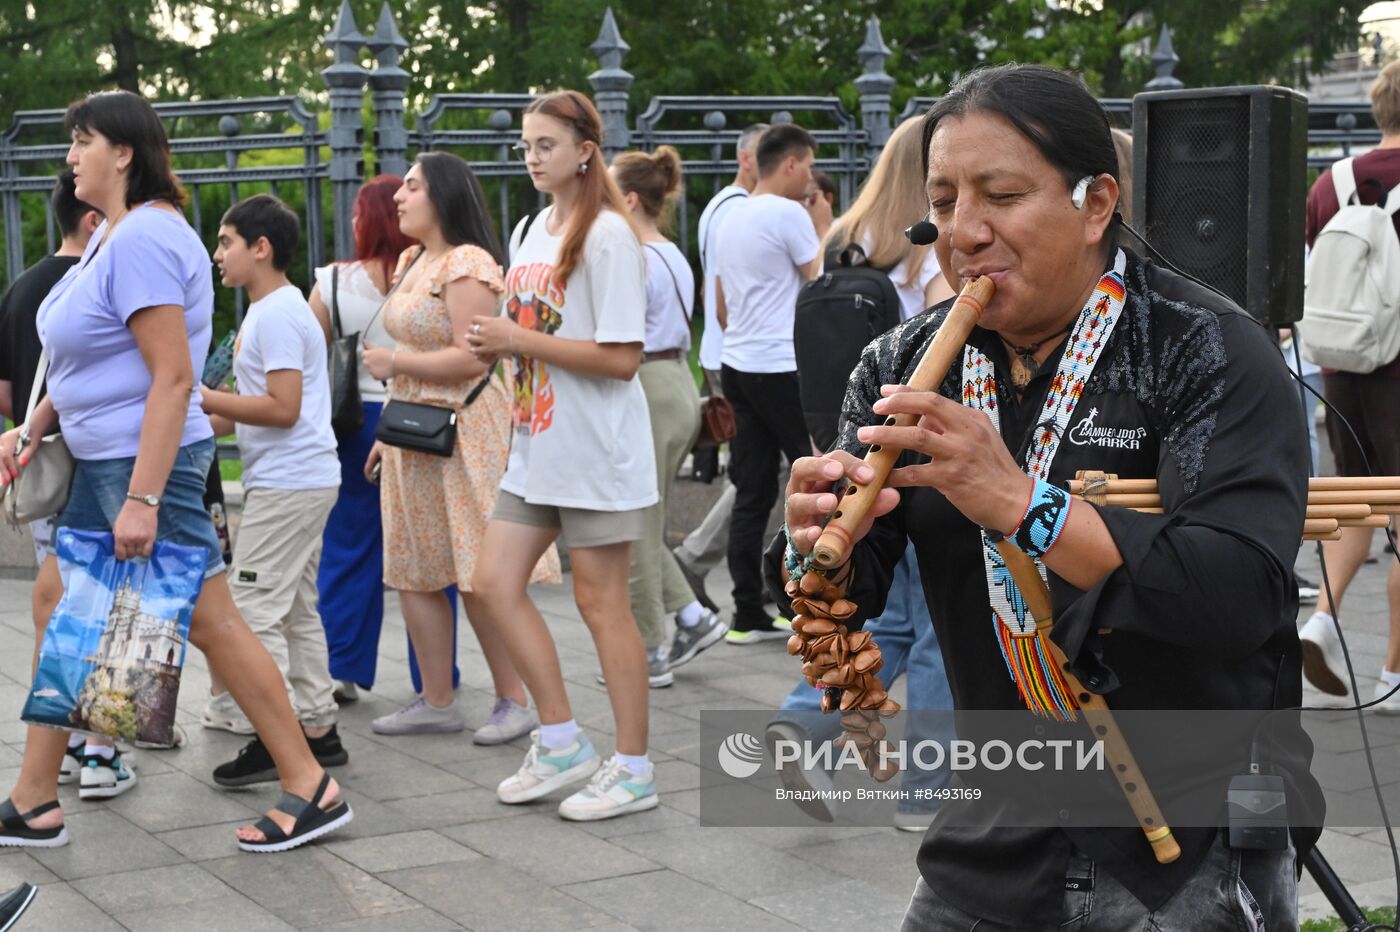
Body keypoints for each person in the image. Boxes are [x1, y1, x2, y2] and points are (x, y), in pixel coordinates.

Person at [772, 64, 1317, 929]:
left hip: (1188, 833)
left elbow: (1239, 596)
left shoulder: (1204, 346)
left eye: (1002, 195)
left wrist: (1028, 504)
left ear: (1096, 203)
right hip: (991, 822)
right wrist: (810, 544)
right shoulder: (903, 364)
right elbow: (846, 592)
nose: (965, 233)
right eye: (946, 201)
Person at [0, 89, 349, 853]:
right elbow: (82, 355)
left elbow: (171, 378)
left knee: (212, 622)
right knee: (70, 613)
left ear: (122, 152)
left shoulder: (145, 239)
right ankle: (32, 798)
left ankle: (309, 782)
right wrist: (33, 424)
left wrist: (143, 497)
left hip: (141, 458)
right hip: (108, 456)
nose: (70, 156)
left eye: (81, 140)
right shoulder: (111, 237)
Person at [465, 89, 659, 821]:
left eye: (545, 144)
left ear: (585, 149)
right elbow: (534, 330)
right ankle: (561, 739)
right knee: (491, 583)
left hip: (597, 451)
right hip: (537, 441)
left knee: (601, 604)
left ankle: (635, 768)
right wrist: (499, 339)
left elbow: (621, 359)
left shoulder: (609, 235)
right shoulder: (530, 229)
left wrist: (517, 340)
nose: (533, 157)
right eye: (526, 146)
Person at [768, 116, 957, 831]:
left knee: (888, 617)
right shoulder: (927, 249)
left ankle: (803, 721)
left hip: (849, 455)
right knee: (937, 627)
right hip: (919, 463)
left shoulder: (845, 235)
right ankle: (927, 792)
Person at [365, 152, 557, 741]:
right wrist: (384, 434)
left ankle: (514, 700)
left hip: (464, 431)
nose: (399, 196)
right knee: (415, 568)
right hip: (411, 432)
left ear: (444, 195)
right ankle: (437, 698)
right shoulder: (410, 259)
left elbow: (475, 355)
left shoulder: (468, 263)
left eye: (413, 187)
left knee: (476, 567)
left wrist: (394, 361)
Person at [199, 194, 348, 785]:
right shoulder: (273, 309)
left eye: (226, 242)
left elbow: (282, 409)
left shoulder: (279, 313)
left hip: (290, 483)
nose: (218, 254)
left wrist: (201, 397)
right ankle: (317, 727)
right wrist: (193, 419)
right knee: (294, 610)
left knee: (251, 610)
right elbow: (254, 410)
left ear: (261, 248)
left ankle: (274, 738)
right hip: (298, 480)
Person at [306, 175, 466, 704]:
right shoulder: (429, 276)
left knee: (350, 544)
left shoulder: (333, 281)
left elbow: (311, 353)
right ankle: (437, 675)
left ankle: (342, 666)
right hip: (420, 416)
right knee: (432, 548)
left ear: (362, 220)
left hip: (354, 421)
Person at [0, 172, 133, 800]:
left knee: (62, 604)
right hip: (108, 465)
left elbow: (7, 390)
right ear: (91, 220)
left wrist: (27, 427)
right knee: (106, 608)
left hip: (50, 468)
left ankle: (68, 753)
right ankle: (99, 751)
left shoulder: (25, 287)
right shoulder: (105, 280)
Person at [1297, 61, 1400, 711]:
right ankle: (1393, 674)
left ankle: (1324, 619)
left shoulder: (1330, 181)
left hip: (1342, 367)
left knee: (1357, 499)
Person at [610, 146, 726, 683]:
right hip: (678, 381)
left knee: (633, 522)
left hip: (649, 387)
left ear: (630, 197)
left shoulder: (633, 255)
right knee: (643, 519)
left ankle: (652, 649)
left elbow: (618, 336)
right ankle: (692, 616)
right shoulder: (670, 252)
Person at [714, 122, 824, 643]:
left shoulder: (727, 216)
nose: (809, 179)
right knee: (821, 475)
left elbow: (719, 302)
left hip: (737, 361)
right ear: (790, 163)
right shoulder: (788, 212)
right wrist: (821, 224)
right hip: (781, 364)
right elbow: (821, 284)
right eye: (807, 166)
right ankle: (821, 594)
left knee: (751, 488)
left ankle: (746, 611)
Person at [673, 123, 767, 598]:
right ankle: (698, 555)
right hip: (743, 355)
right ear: (748, 159)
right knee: (763, 474)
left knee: (759, 472)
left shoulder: (719, 207)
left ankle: (727, 563)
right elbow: (728, 291)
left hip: (726, 350)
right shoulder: (741, 209)